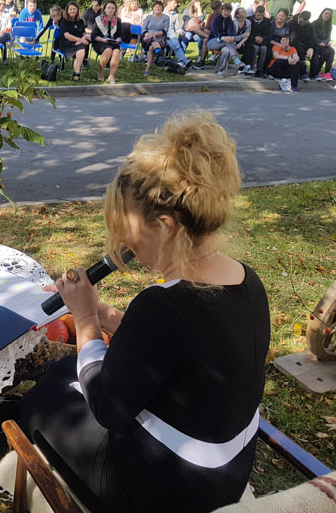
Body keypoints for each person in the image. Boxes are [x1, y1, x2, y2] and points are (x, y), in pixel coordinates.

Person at [19, 110, 269, 513]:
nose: (122, 241)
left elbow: (105, 407)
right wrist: (98, 310)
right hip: (227, 472)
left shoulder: (164, 306)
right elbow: (174, 347)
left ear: (167, 226)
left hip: (165, 490)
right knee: (69, 371)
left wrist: (84, 320)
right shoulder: (245, 280)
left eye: (127, 228)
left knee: (41, 402)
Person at [207, 2, 243, 76]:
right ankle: (235, 58)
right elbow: (215, 32)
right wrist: (223, 38)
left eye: (229, 11)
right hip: (213, 41)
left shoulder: (229, 21)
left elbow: (230, 31)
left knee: (226, 50)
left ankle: (221, 70)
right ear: (222, 10)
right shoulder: (216, 19)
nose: (227, 13)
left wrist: (231, 37)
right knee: (229, 42)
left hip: (225, 42)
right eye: (225, 11)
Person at [91, 0, 122, 84]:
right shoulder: (98, 19)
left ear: (115, 10)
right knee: (108, 50)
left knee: (116, 52)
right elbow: (93, 36)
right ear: (104, 9)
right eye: (108, 8)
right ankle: (101, 72)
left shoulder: (117, 20)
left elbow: (119, 34)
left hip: (112, 42)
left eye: (112, 8)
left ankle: (111, 76)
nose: (110, 10)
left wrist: (118, 39)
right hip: (100, 42)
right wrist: (102, 40)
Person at [58, 0, 89, 82]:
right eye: (70, 9)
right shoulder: (64, 21)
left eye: (74, 9)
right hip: (66, 44)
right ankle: (76, 74)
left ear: (77, 10)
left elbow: (84, 33)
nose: (72, 11)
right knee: (81, 48)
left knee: (81, 49)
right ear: (67, 11)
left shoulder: (80, 21)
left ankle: (77, 72)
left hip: (78, 44)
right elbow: (67, 36)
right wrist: (80, 40)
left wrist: (82, 40)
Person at [163, 0, 191, 70]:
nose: (176, 5)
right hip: (161, 34)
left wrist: (182, 32)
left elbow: (177, 28)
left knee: (177, 45)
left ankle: (183, 61)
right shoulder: (161, 11)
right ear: (169, 2)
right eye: (174, 3)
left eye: (177, 3)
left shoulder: (175, 15)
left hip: (171, 35)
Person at [141, 0, 169, 76]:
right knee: (151, 40)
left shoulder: (166, 18)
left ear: (162, 8)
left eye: (159, 7)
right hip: (147, 39)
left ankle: (147, 68)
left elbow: (165, 31)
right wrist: (147, 34)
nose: (157, 8)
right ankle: (159, 54)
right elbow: (143, 29)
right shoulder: (148, 18)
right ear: (153, 8)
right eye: (156, 7)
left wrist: (154, 34)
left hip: (160, 39)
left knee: (151, 48)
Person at [245, 5, 271, 77]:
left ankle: (259, 69)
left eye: (261, 15)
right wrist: (254, 38)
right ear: (255, 13)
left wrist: (262, 38)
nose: (259, 17)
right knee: (255, 48)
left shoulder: (267, 22)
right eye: (258, 15)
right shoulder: (249, 20)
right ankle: (251, 68)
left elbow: (268, 34)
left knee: (264, 49)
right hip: (251, 40)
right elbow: (247, 32)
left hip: (262, 41)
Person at [289, 11, 315, 82]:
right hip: (294, 44)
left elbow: (312, 38)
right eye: (301, 22)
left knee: (316, 50)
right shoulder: (292, 23)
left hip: (305, 45)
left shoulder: (309, 26)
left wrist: (311, 48)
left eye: (304, 23)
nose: (302, 24)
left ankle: (314, 73)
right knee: (300, 48)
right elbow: (293, 38)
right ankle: (303, 72)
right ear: (299, 17)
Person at [310, 8, 335, 81]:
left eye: (329, 15)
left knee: (332, 51)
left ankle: (327, 72)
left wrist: (326, 42)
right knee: (325, 52)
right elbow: (313, 36)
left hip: (324, 44)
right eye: (326, 13)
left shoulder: (329, 26)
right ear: (322, 14)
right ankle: (317, 71)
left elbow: (328, 37)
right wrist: (319, 43)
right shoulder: (314, 23)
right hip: (315, 43)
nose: (327, 16)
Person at [232, 7, 251, 74]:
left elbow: (247, 35)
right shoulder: (234, 24)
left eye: (245, 11)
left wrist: (240, 43)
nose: (245, 12)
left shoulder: (248, 22)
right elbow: (233, 37)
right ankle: (242, 68)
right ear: (237, 15)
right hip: (233, 42)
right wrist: (242, 36)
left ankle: (246, 67)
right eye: (242, 11)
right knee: (246, 49)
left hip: (242, 41)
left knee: (250, 48)